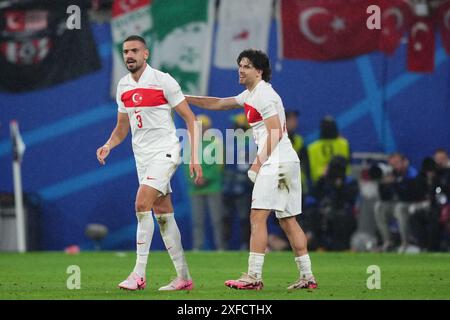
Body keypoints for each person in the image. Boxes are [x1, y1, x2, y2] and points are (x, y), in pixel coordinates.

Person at [186, 49, 317, 290]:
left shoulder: (263, 95)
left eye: (246, 66)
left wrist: (258, 163)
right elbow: (217, 103)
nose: (240, 69)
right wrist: (184, 98)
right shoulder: (251, 94)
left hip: (275, 161)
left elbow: (276, 132)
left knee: (257, 217)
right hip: (287, 160)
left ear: (259, 71)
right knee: (288, 220)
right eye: (240, 65)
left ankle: (253, 277)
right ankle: (307, 276)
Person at [96, 35, 202, 291]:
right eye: (125, 51)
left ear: (146, 54)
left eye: (134, 50)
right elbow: (122, 128)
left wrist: (194, 156)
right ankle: (184, 277)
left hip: (165, 152)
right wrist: (109, 144)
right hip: (142, 158)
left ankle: (138, 274)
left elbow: (191, 119)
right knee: (163, 213)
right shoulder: (123, 86)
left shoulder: (163, 81)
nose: (129, 55)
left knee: (141, 203)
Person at [185, 114, 227, 251]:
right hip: (195, 188)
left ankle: (220, 247)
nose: (201, 129)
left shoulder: (216, 143)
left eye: (204, 127)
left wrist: (205, 177)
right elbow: (186, 166)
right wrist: (194, 178)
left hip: (213, 187)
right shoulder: (190, 144)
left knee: (217, 220)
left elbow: (219, 166)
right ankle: (197, 247)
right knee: (197, 221)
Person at [222, 113, 255, 250]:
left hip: (241, 186)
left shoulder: (247, 144)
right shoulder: (234, 142)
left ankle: (244, 244)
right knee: (230, 218)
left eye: (236, 125)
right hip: (233, 186)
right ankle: (236, 245)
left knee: (242, 218)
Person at [374, 152, 417, 253]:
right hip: (395, 204)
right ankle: (388, 241)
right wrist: (384, 184)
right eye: (392, 164)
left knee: (400, 208)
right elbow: (383, 197)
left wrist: (395, 183)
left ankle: (405, 243)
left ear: (404, 162)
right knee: (379, 206)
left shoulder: (411, 173)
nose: (394, 166)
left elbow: (410, 195)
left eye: (397, 163)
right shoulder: (391, 174)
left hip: (411, 203)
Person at [307, 116, 351, 185]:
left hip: (320, 184)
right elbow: (349, 161)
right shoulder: (344, 144)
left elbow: (308, 171)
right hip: (340, 182)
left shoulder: (312, 147)